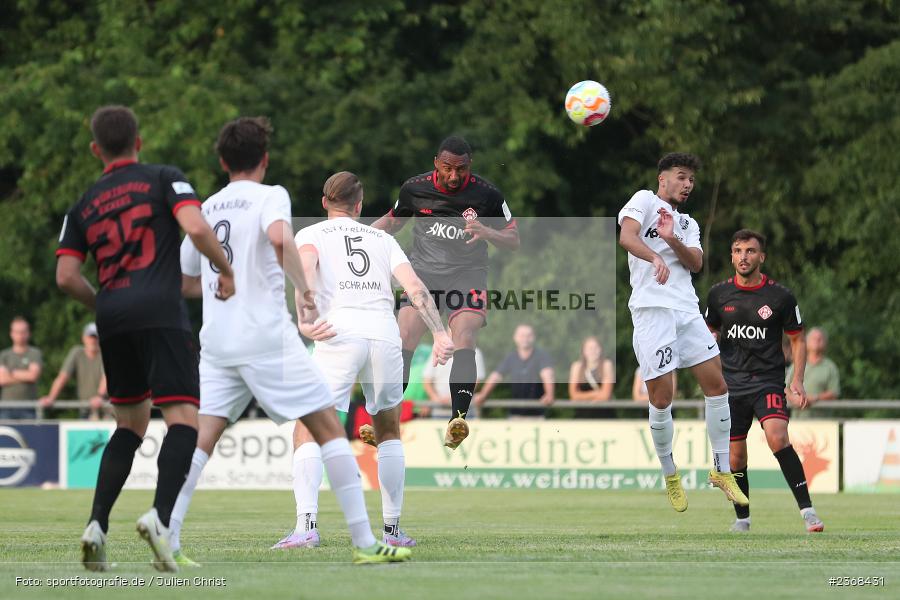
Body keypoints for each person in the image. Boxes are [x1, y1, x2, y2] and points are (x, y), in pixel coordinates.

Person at [172, 120, 410, 565]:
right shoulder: (272, 196)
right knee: (326, 426)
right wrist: (305, 296)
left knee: (203, 437)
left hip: (219, 338)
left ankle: (167, 528)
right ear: (264, 159)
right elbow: (284, 242)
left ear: (222, 161)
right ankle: (374, 538)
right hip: (271, 333)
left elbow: (186, 278)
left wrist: (225, 277)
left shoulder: (204, 206)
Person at [55, 105, 235, 573]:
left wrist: (104, 304)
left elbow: (66, 276)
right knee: (183, 420)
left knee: (129, 426)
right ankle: (158, 518)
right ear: (139, 140)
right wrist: (226, 269)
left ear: (97, 149)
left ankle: (96, 525)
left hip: (112, 318)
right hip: (159, 311)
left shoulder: (83, 204)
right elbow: (195, 227)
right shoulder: (162, 177)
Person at [272, 171, 454, 551]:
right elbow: (416, 288)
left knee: (308, 426)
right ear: (359, 206)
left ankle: (306, 526)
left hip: (338, 334)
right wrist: (439, 333)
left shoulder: (312, 235)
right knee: (388, 431)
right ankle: (392, 531)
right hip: (384, 336)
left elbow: (305, 273)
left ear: (324, 202)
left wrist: (304, 318)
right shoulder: (383, 239)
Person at [617, 152, 748, 512]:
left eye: (691, 178)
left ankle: (722, 471)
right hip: (651, 312)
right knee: (662, 398)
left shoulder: (688, 223)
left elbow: (695, 263)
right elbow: (627, 238)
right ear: (663, 178)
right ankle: (670, 472)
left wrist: (670, 240)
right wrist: (654, 256)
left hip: (687, 311)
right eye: (681, 176)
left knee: (717, 385)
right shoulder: (643, 200)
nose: (688, 183)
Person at [372, 135, 519, 448]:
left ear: (470, 166)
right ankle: (388, 417)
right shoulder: (414, 189)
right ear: (436, 164)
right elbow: (393, 223)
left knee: (464, 335)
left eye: (461, 169)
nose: (454, 176)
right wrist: (358, 234)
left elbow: (513, 239)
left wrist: (487, 231)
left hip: (468, 275)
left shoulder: (488, 194)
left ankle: (458, 420)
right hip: (423, 274)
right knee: (404, 335)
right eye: (448, 168)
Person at [705, 229, 823, 533]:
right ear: (731, 256)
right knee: (735, 455)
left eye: (751, 251)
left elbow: (798, 340)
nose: (744, 257)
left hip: (767, 381)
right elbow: (708, 333)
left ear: (762, 257)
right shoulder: (718, 294)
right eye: (738, 251)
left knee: (777, 436)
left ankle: (808, 512)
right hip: (731, 386)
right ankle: (742, 518)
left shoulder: (780, 296)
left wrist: (796, 380)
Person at [474, 324, 554, 418]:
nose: (525, 339)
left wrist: (549, 394)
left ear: (534, 337)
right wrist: (483, 394)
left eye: (528, 335)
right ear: (515, 338)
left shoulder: (541, 356)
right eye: (522, 335)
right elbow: (496, 376)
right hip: (515, 415)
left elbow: (547, 375)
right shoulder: (511, 357)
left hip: (537, 414)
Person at [40, 322, 107, 420]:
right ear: (83, 338)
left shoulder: (106, 353)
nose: (93, 340)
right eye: (91, 337)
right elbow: (63, 377)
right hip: (85, 409)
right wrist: (51, 397)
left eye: (96, 337)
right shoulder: (77, 353)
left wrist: (100, 397)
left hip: (106, 410)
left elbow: (106, 378)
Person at [422, 345, 486, 419]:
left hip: (464, 412)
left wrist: (456, 398)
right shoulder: (438, 350)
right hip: (439, 411)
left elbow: (475, 381)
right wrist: (435, 398)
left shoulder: (475, 352)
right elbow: (426, 379)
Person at [0, 317, 43, 419]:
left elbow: (33, 376)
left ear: (28, 333)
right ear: (11, 333)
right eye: (17, 332)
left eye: (23, 332)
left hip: (29, 407)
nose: (20, 335)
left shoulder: (34, 353)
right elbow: (1, 379)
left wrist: (10, 372)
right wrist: (24, 374)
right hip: (6, 408)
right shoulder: (4, 355)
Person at [787, 328, 839, 404]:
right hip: (797, 415)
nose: (817, 340)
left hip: (822, 415)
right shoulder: (797, 364)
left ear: (825, 343)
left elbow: (834, 393)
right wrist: (794, 399)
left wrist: (815, 398)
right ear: (806, 341)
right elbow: (784, 388)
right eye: (814, 338)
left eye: (820, 338)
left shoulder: (830, 367)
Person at [568, 336, 614, 418]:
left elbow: (605, 395)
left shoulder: (606, 365)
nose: (593, 351)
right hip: (582, 415)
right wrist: (595, 394)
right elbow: (573, 395)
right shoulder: (577, 367)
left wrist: (582, 397)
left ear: (601, 350)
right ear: (584, 351)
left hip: (604, 415)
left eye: (596, 347)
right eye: (589, 348)